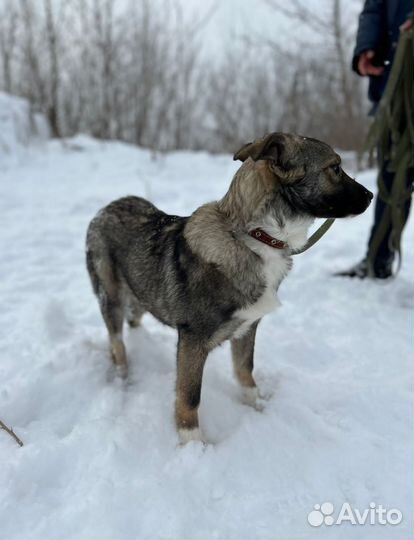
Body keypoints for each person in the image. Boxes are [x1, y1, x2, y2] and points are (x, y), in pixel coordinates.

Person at [339, 0, 414, 279]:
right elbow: (375, 8)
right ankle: (377, 260)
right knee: (392, 181)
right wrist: (366, 47)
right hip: (394, 85)